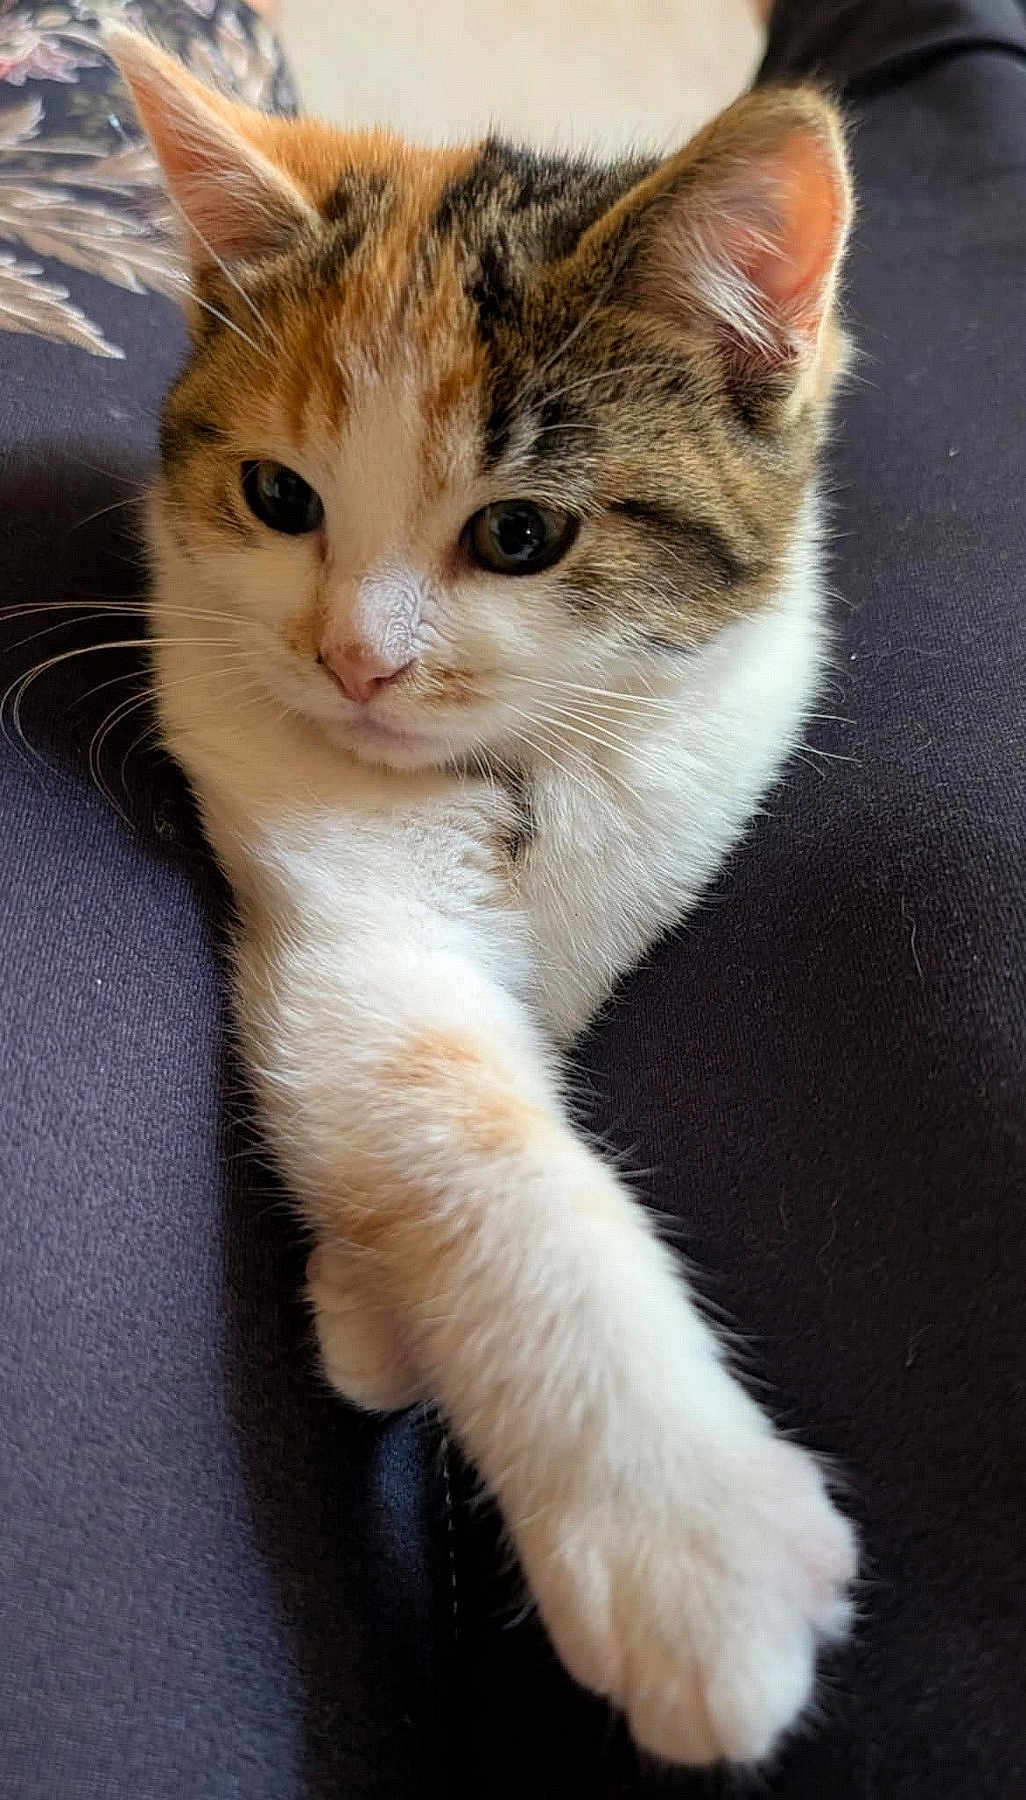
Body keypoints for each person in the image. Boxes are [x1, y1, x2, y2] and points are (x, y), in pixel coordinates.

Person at [1, 3, 1023, 1793]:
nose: (356, 650)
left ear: (747, 355)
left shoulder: (706, 631)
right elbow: (362, 973)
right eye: (283, 499)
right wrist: (586, 1409)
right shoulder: (268, 656)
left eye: (514, 532)